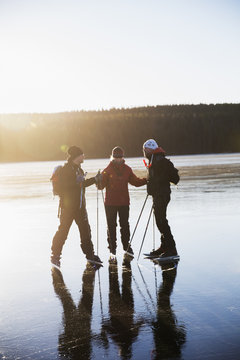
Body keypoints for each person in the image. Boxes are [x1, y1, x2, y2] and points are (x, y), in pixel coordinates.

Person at [51, 145, 102, 267]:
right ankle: (55, 256)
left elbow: (81, 184)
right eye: (82, 154)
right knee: (63, 232)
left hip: (80, 207)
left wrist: (95, 179)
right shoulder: (65, 169)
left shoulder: (78, 169)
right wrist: (75, 182)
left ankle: (90, 255)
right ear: (76, 156)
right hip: (67, 208)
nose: (84, 156)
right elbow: (63, 187)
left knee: (85, 231)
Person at [97, 146, 147, 257]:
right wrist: (98, 181)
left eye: (119, 157)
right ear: (112, 157)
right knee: (111, 225)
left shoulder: (127, 169)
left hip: (124, 203)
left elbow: (136, 182)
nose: (118, 159)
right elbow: (101, 187)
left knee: (124, 225)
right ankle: (112, 248)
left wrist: (146, 180)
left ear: (122, 157)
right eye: (115, 157)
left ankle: (126, 246)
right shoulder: (107, 170)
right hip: (110, 203)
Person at [143, 139, 179, 259]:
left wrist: (156, 184)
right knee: (160, 220)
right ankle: (164, 247)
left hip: (161, 195)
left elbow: (171, 178)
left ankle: (171, 249)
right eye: (144, 149)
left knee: (161, 221)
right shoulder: (155, 159)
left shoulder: (159, 160)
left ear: (151, 149)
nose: (144, 151)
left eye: (146, 149)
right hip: (159, 195)